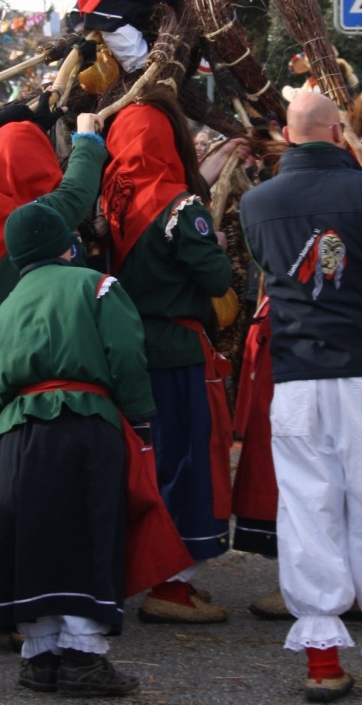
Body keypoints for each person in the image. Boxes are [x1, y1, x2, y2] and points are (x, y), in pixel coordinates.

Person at [239, 91, 362, 701]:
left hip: (298, 374)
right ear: (336, 132)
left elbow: (267, 270)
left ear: (293, 137)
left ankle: (323, 660)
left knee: (306, 510)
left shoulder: (256, 202)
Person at [0, 201, 156, 697]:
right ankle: (83, 654)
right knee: (87, 532)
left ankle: (40, 657)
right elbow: (125, 352)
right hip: (85, 423)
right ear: (67, 243)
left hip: (18, 432)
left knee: (34, 540)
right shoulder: (96, 285)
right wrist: (140, 414)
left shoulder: (5, 305)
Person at [102, 89, 233, 622]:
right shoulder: (179, 204)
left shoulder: (111, 199)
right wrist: (217, 246)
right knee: (186, 462)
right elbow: (217, 278)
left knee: (147, 463)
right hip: (178, 350)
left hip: (127, 345)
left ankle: (154, 573)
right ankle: (172, 585)